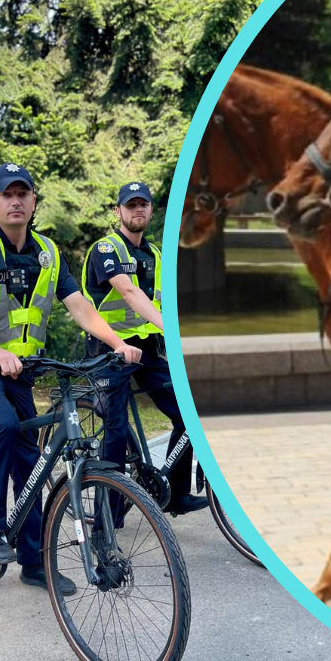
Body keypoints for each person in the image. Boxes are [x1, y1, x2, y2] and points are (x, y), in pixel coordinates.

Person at [0, 163, 142, 594]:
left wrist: (116, 342)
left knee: (31, 462)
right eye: (6, 194)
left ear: (33, 202)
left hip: (20, 371)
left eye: (23, 194)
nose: (15, 201)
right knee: (3, 425)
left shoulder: (47, 253)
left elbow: (80, 304)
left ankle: (34, 563)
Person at [82, 181, 208, 515]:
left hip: (147, 349)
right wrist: (173, 329)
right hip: (108, 350)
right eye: (131, 204)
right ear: (118, 211)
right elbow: (128, 292)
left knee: (190, 414)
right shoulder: (106, 249)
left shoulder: (154, 255)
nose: (138, 209)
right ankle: (108, 520)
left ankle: (176, 493)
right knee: (115, 431)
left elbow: (169, 301)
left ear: (151, 210)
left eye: (144, 204)